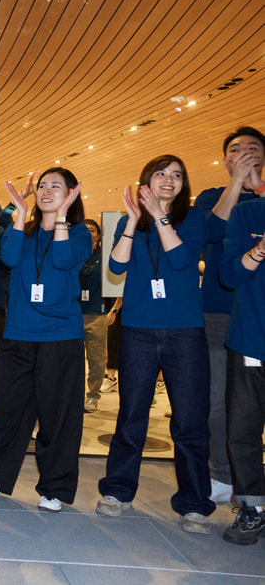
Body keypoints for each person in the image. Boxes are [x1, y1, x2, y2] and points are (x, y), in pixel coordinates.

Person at [0, 168, 90, 511]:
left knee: (58, 415)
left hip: (60, 337)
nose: (46, 191)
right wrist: (20, 215)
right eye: (42, 186)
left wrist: (61, 218)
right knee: (8, 412)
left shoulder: (80, 233)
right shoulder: (22, 232)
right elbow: (8, 258)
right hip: (19, 334)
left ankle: (54, 488)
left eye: (56, 186)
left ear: (71, 193)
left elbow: (62, 258)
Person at [96, 154, 214, 534]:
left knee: (189, 421)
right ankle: (117, 490)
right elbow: (116, 267)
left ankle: (195, 503)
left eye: (177, 175)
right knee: (131, 416)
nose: (169, 179)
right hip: (138, 332)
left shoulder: (193, 219)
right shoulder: (131, 221)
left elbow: (181, 260)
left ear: (183, 185)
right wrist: (132, 221)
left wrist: (161, 216)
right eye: (161, 173)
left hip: (185, 333)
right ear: (147, 181)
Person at [194, 126, 265, 504]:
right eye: (236, 149)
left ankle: (251, 483)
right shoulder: (211, 197)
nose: (245, 153)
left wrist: (259, 185)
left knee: (252, 405)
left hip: (259, 315)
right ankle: (223, 476)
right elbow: (211, 232)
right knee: (219, 400)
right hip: (220, 312)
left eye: (253, 148)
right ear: (226, 160)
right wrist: (239, 184)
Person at [219, 193, 265, 545]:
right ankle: (254, 508)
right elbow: (228, 274)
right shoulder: (247, 214)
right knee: (243, 430)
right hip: (251, 342)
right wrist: (259, 250)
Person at [80, 219, 111, 413]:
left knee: (97, 360)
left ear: (98, 235)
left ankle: (93, 395)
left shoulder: (104, 257)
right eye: (85, 230)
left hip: (97, 314)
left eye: (92, 230)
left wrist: (114, 310)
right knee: (71, 359)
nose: (89, 233)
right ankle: (72, 394)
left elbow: (118, 284)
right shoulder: (73, 255)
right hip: (72, 313)